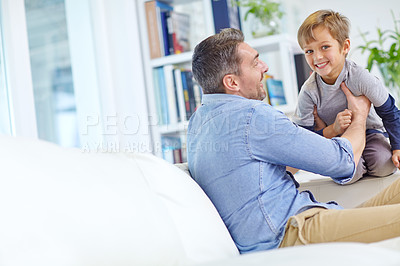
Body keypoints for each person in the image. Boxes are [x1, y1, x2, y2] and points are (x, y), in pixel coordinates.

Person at [187, 28, 400, 254]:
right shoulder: (252, 117)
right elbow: (342, 162)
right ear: (232, 82)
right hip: (291, 233)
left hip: (299, 223)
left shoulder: (198, 123)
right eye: (255, 63)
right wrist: (359, 114)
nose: (265, 67)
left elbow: (274, 167)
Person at [293, 9, 400, 184]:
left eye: (325, 47)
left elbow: (390, 111)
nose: (317, 57)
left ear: (345, 47)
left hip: (371, 132)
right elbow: (302, 138)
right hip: (339, 141)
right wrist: (331, 130)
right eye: (309, 51)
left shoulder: (361, 78)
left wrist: (398, 147)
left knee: (384, 165)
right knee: (348, 174)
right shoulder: (308, 91)